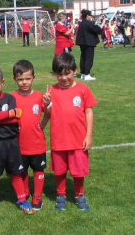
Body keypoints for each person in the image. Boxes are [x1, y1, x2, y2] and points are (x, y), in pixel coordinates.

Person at [0, 64, 35, 216]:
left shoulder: (10, 98)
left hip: (11, 142)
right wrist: (10, 114)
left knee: (16, 173)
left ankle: (22, 199)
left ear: (2, 82)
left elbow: (14, 120)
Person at [47, 53, 97, 211]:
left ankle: (79, 194)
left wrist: (88, 135)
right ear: (55, 73)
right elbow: (47, 114)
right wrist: (47, 104)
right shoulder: (51, 90)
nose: (63, 77)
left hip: (77, 140)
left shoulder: (83, 89)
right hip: (59, 139)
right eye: (59, 74)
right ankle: (60, 194)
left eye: (67, 73)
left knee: (78, 170)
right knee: (60, 170)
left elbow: (89, 112)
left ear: (75, 70)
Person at [11, 60, 50, 210]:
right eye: (20, 79)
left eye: (27, 79)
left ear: (33, 77)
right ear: (15, 79)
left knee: (38, 169)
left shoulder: (40, 96)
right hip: (19, 143)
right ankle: (25, 192)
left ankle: (37, 196)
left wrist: (46, 112)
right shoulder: (11, 97)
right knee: (22, 170)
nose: (24, 82)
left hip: (37, 142)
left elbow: (49, 113)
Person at [75, 9, 106, 81]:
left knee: (83, 58)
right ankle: (87, 74)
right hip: (89, 43)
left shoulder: (82, 23)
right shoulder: (88, 23)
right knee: (89, 58)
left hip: (82, 43)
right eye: (90, 15)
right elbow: (98, 30)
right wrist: (103, 23)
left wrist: (97, 23)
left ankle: (83, 73)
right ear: (87, 16)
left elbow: (92, 28)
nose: (90, 17)